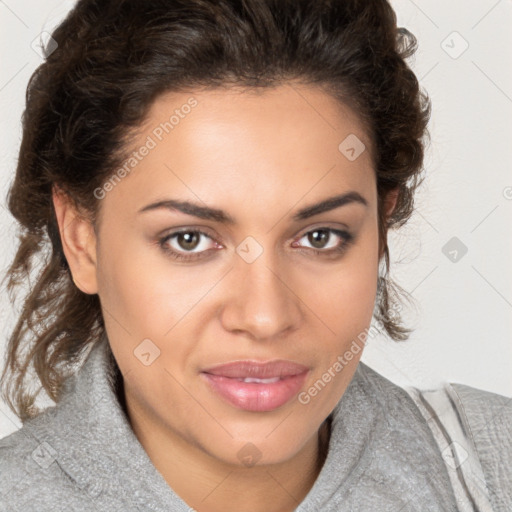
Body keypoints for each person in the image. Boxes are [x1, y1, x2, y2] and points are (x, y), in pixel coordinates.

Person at [0, 0, 510, 511]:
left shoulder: (490, 467)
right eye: (189, 240)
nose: (265, 317)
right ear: (81, 239)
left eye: (319, 236)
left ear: (379, 231)